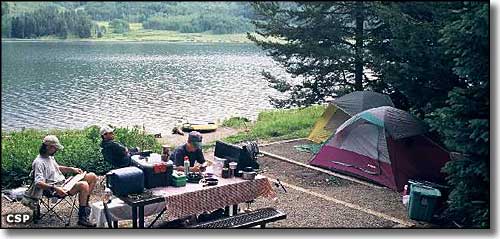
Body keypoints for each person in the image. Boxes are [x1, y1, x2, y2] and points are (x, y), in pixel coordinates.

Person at [31, 135, 97, 227]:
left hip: (63, 183)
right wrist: (55, 188)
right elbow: (38, 183)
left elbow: (57, 168)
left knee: (92, 176)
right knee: (84, 185)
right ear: (49, 147)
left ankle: (84, 204)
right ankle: (82, 218)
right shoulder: (39, 162)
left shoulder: (49, 157)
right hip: (55, 189)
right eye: (55, 148)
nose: (56, 150)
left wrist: (72, 169)